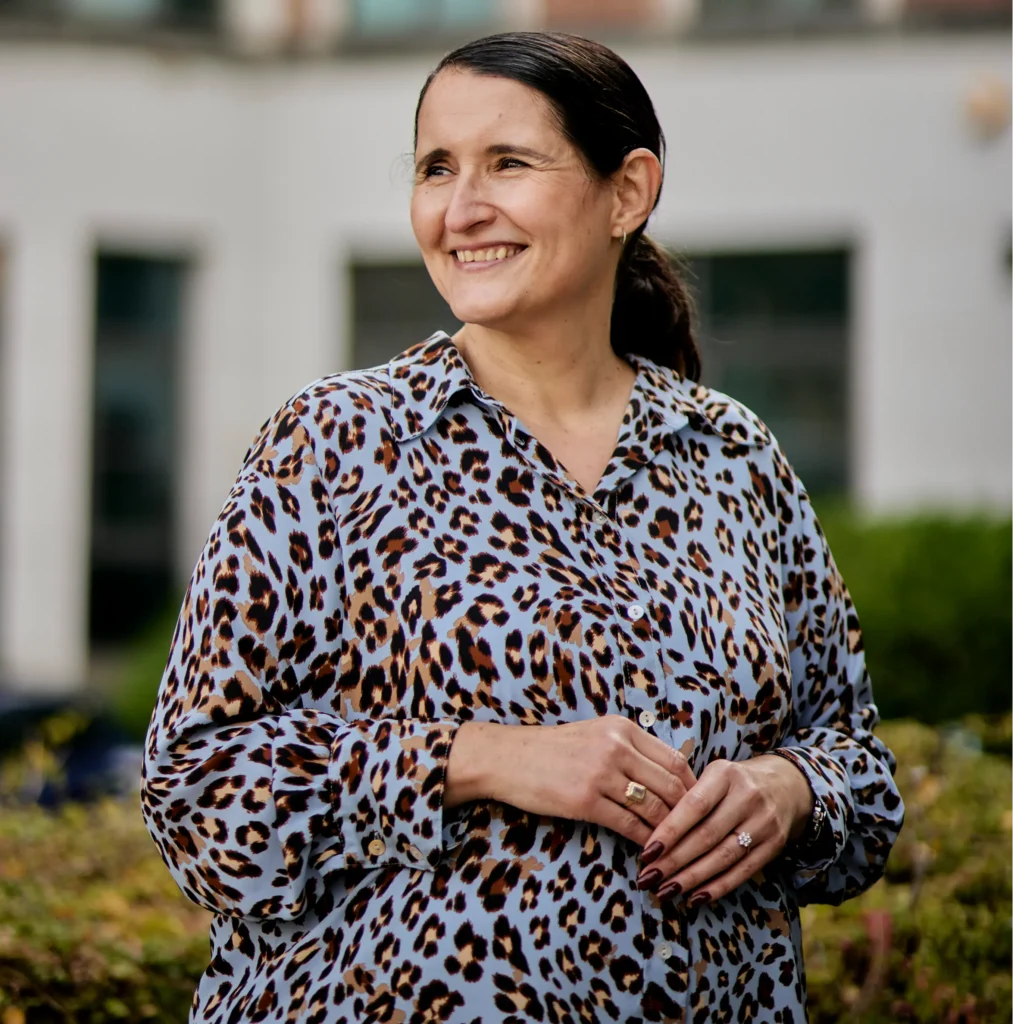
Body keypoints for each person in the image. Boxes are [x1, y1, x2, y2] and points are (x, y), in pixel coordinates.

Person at [141, 31, 903, 1024]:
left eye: (507, 163)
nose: (460, 210)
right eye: (434, 169)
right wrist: (483, 758)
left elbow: (856, 766)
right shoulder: (330, 445)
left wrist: (787, 789)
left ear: (626, 192)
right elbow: (194, 791)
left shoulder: (729, 455)